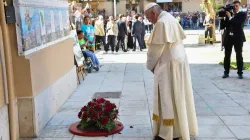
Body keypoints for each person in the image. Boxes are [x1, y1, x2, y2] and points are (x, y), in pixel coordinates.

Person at [144, 3, 198, 140]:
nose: (149, 21)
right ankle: (180, 129)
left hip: (169, 65)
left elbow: (155, 50)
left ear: (154, 13)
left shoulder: (161, 23)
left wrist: (150, 65)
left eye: (148, 17)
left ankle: (168, 133)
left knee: (167, 97)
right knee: (178, 96)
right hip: (178, 60)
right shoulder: (169, 17)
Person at [221, 1, 247, 79]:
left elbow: (238, 24)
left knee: (239, 55)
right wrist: (223, 17)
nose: (235, 8)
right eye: (234, 6)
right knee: (227, 55)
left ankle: (240, 73)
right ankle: (226, 72)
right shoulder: (229, 14)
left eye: (236, 6)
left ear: (239, 6)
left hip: (238, 38)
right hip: (229, 38)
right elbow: (223, 26)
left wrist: (230, 17)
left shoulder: (242, 14)